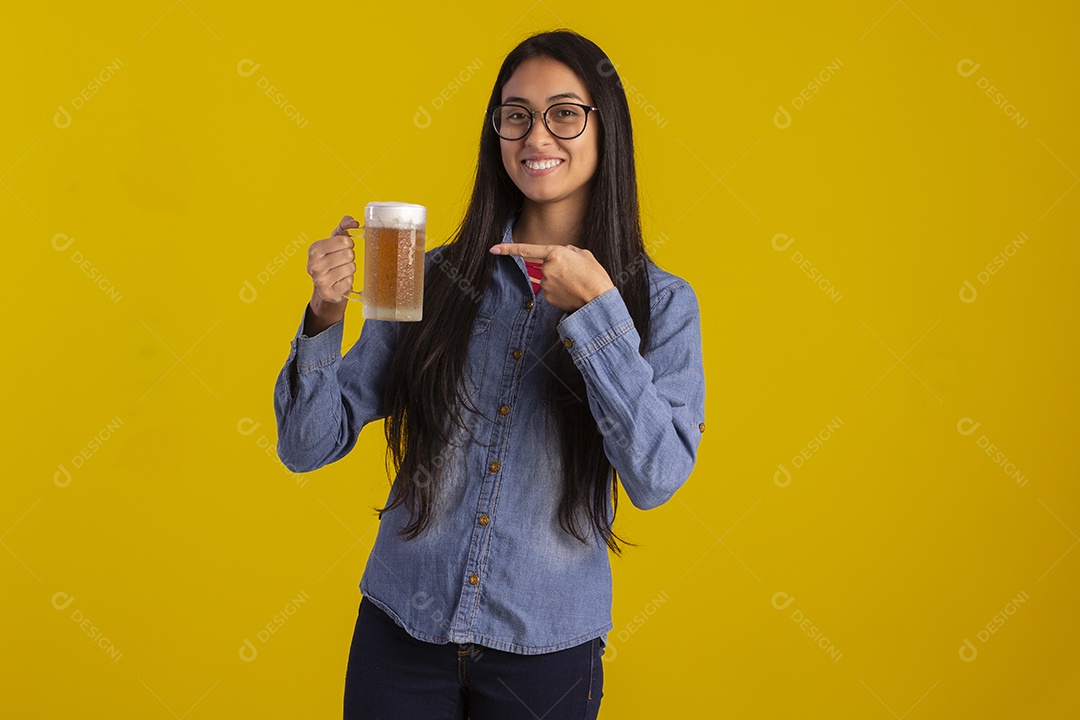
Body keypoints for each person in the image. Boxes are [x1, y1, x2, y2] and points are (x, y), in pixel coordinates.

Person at [273, 28, 706, 720]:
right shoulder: (427, 275)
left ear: (606, 128)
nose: (537, 137)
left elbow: (657, 475)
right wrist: (326, 314)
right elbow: (305, 444)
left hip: (547, 652)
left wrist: (597, 315)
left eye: (565, 113)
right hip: (399, 637)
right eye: (516, 115)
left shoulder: (661, 302)